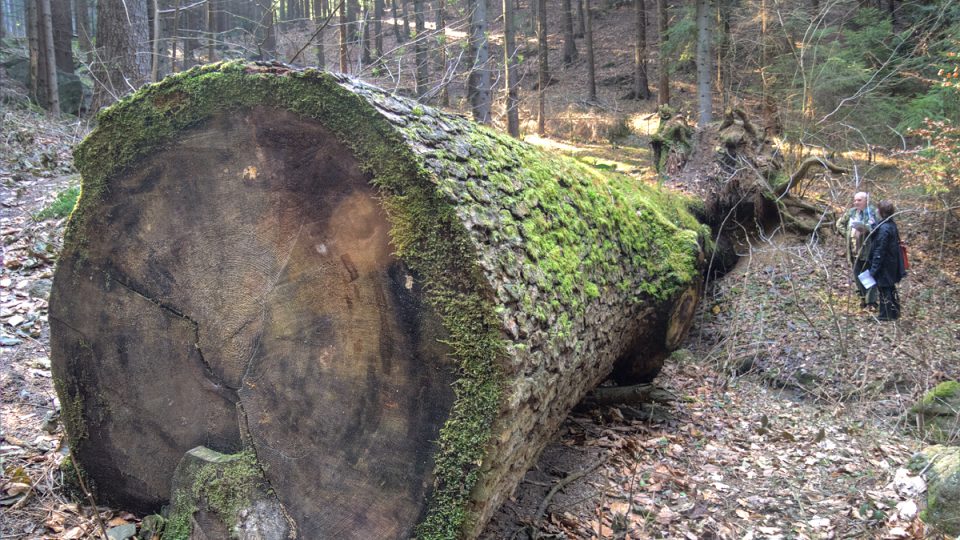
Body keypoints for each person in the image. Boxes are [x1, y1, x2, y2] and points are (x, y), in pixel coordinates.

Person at [836, 191, 878, 307]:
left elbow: (876, 227)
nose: (856, 202)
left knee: (868, 276)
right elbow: (839, 224)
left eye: (859, 200)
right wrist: (847, 235)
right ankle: (863, 298)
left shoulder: (871, 212)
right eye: (855, 200)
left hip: (867, 251)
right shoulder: (851, 212)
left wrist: (866, 229)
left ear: (866, 201)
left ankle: (871, 302)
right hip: (853, 251)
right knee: (857, 275)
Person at [868, 200, 907, 321]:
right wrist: (874, 226)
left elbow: (880, 249)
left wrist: (874, 269)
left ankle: (885, 315)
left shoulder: (885, 227)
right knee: (889, 287)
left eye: (878, 209)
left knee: (885, 288)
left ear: (881, 212)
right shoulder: (889, 224)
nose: (876, 211)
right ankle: (894, 313)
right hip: (891, 262)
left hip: (886, 264)